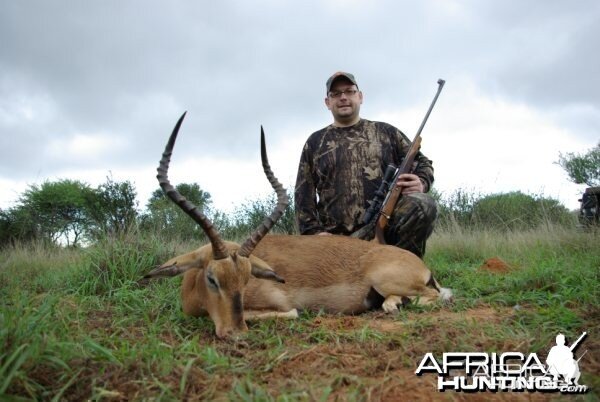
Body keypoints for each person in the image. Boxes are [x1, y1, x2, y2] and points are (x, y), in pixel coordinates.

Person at [294, 71, 437, 258]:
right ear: (327, 102)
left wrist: (421, 181)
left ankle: (404, 273)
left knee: (423, 205)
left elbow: (422, 163)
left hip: (384, 227)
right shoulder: (315, 142)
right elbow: (303, 197)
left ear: (360, 97)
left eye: (349, 91)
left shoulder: (386, 132)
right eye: (335, 94)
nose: (343, 97)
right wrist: (314, 234)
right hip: (335, 242)